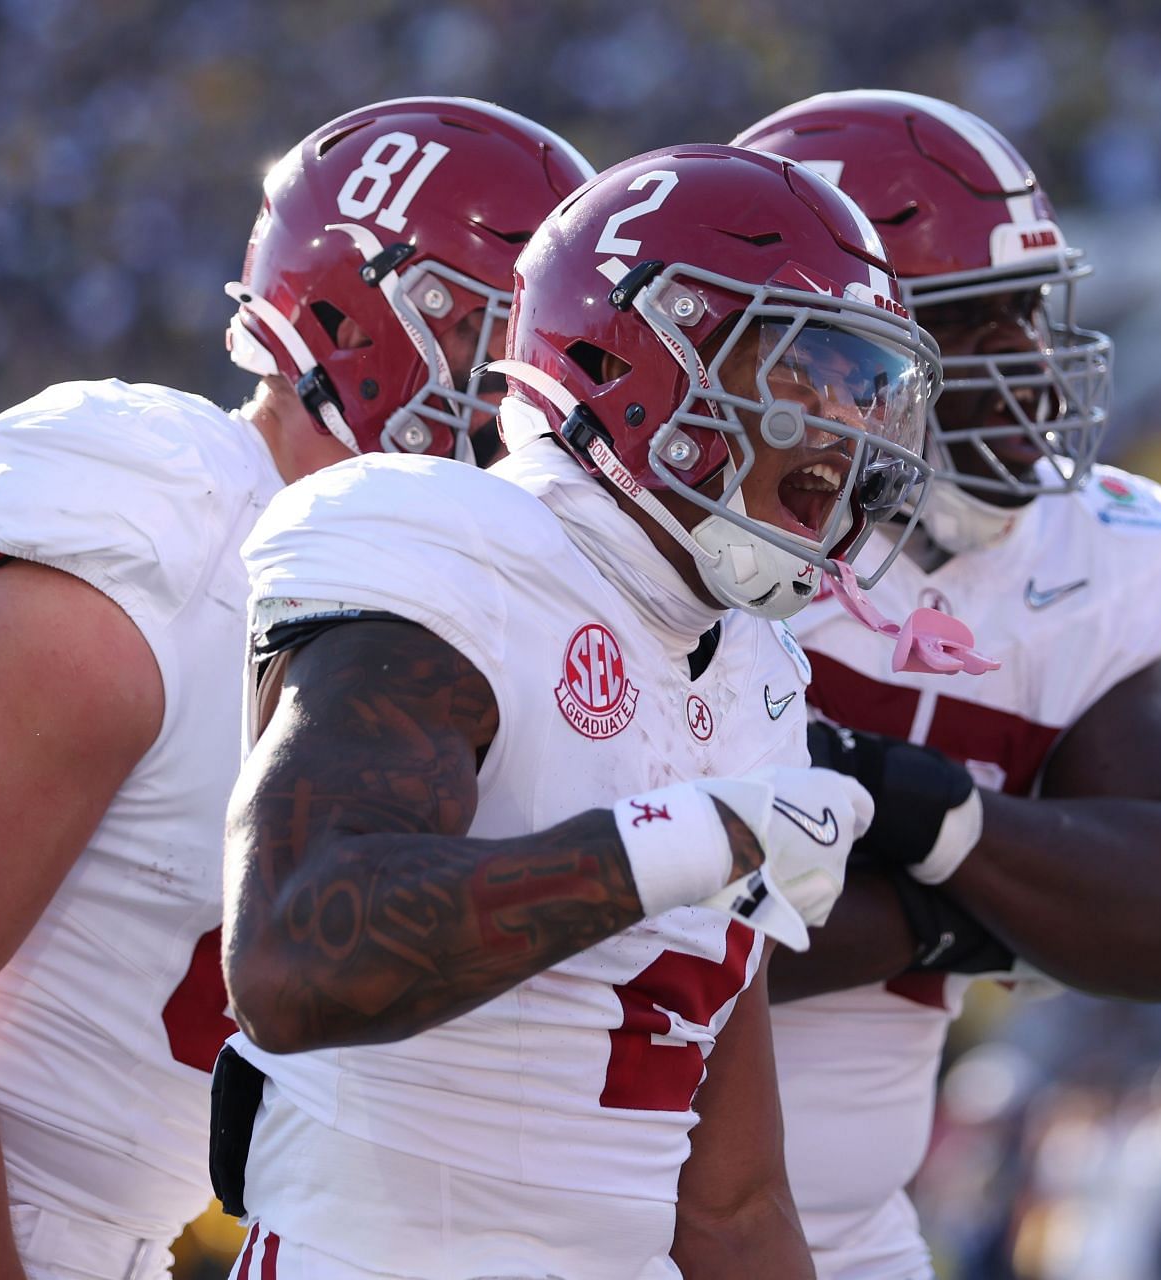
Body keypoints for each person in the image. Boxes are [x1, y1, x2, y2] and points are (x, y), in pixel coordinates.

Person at [0, 97, 592, 1280]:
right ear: (380, 316)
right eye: (515, 351)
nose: (547, 413)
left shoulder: (439, 618)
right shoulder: (158, 525)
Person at [215, 142, 961, 1279]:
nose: (850, 428)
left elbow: (734, 1203)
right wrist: (694, 836)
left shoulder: (752, 671)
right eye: (811, 368)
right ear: (638, 354)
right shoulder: (452, 544)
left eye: (872, 387)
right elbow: (297, 957)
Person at [729, 90, 1161, 1279]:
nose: (1031, 356)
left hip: (854, 1235)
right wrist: (985, 897)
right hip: (581, 1220)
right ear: (813, 353)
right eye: (980, 321)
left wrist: (923, 815)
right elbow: (656, 933)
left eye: (1032, 305)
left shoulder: (1083, 558)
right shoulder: (692, 543)